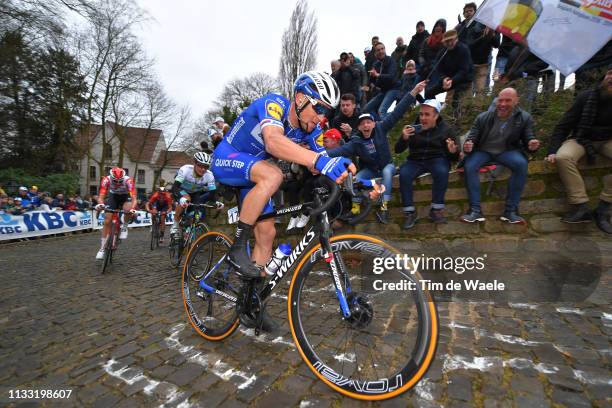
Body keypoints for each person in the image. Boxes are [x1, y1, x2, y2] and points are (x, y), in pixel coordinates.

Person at [211, 71, 368, 332]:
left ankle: (250, 304)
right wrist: (319, 161)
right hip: (228, 159)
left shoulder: (313, 129)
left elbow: (320, 166)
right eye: (318, 107)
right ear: (299, 98)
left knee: (267, 234)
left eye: (325, 111)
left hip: (255, 178)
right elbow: (273, 142)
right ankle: (237, 248)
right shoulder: (274, 104)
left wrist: (358, 182)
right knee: (273, 173)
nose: (321, 117)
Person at [328, 80, 428, 224]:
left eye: (369, 122)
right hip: (371, 170)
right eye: (362, 124)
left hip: (387, 165)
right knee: (355, 178)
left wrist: (413, 92)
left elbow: (397, 112)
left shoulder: (381, 128)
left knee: (387, 172)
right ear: (359, 128)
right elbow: (340, 150)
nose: (366, 125)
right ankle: (355, 208)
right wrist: (317, 156)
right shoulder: (356, 141)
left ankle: (384, 208)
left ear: (374, 124)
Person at [545, 68, 612, 234]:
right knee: (563, 157)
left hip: (608, 141)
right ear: (605, 76)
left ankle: (603, 209)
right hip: (582, 139)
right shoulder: (586, 97)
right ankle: (581, 206)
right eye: (611, 74)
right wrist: (552, 151)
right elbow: (563, 126)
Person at [461, 88, 540, 224]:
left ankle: (511, 211)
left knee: (521, 164)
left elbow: (529, 137)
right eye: (500, 100)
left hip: (507, 151)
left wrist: (531, 144)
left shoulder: (524, 118)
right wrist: (469, 145)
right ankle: (475, 210)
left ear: (516, 101)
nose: (502, 104)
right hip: (483, 150)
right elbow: (472, 137)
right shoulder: (483, 117)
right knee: (470, 166)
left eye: (507, 100)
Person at [395, 99, 459, 229]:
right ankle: (410, 213)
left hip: (437, 158)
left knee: (442, 171)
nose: (423, 118)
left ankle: (436, 210)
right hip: (415, 160)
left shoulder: (446, 129)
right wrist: (404, 138)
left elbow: (455, 157)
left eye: (427, 114)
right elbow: (398, 150)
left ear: (436, 116)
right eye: (421, 114)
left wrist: (453, 151)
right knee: (404, 174)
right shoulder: (413, 128)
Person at [170, 152, 221, 237]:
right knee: (187, 198)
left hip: (195, 193)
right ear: (194, 163)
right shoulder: (185, 170)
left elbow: (212, 193)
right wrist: (180, 198)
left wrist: (216, 202)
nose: (203, 169)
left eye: (206, 166)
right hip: (181, 190)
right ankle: (175, 226)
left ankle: (188, 231)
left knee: (197, 213)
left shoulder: (209, 176)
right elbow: (175, 187)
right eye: (200, 165)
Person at [425, 30, 474, 116]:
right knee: (428, 93)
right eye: (447, 41)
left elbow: (464, 71)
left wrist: (452, 80)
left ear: (456, 39)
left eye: (451, 40)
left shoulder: (464, 50)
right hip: (448, 81)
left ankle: (456, 121)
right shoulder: (442, 53)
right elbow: (438, 70)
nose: (449, 43)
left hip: (463, 80)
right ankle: (434, 113)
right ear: (443, 42)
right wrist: (443, 79)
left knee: (456, 102)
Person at [456, 2, 500, 96]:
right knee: (467, 91)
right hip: (469, 62)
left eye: (470, 11)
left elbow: (496, 43)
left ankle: (478, 109)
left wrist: (491, 34)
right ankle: (466, 109)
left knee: (481, 89)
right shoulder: (466, 26)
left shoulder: (493, 25)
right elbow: (468, 42)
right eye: (466, 11)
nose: (468, 13)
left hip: (483, 62)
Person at [94, 167, 137, 260]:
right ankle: (102, 249)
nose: (117, 183)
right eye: (115, 181)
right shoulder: (106, 180)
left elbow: (134, 198)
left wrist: (133, 209)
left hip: (125, 197)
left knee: (128, 209)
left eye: (120, 181)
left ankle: (125, 226)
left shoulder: (128, 181)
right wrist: (100, 203)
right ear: (111, 177)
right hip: (113, 197)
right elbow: (101, 195)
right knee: (107, 220)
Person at [364, 42, 402, 120]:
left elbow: (391, 77)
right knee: (366, 109)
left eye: (382, 49)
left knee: (381, 110)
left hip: (394, 88)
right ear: (375, 53)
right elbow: (375, 83)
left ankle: (386, 128)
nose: (381, 51)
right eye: (378, 50)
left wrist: (377, 75)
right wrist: (372, 77)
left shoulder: (391, 60)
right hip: (384, 91)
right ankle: (379, 125)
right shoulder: (376, 64)